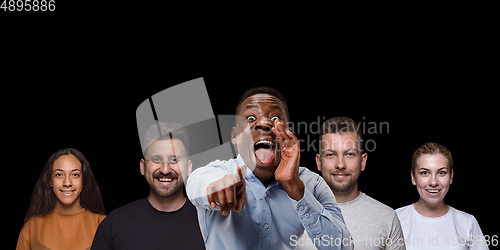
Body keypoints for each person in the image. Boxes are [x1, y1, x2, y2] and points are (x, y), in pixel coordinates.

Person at [187, 87, 352, 250]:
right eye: (251, 118)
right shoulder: (211, 173)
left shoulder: (312, 183)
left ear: (288, 133)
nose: (264, 123)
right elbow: (199, 185)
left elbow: (343, 247)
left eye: (274, 118)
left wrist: (297, 190)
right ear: (234, 135)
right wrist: (218, 190)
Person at [91, 122, 205, 250]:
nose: (165, 169)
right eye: (156, 159)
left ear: (189, 168)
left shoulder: (209, 223)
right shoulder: (114, 224)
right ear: (142, 166)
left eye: (174, 160)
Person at [313, 117, 405, 250]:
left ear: (363, 162)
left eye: (349, 154)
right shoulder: (289, 216)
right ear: (319, 162)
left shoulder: (387, 217)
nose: (340, 164)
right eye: (331, 155)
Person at [395, 142, 489, 250]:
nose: (433, 182)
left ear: (451, 176)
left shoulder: (468, 222)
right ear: (413, 177)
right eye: (425, 173)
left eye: (441, 173)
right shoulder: (395, 219)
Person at [16, 148, 106, 250]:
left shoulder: (102, 224)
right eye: (59, 175)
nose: (67, 183)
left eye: (75, 175)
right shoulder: (32, 227)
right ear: (50, 180)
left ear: (83, 180)